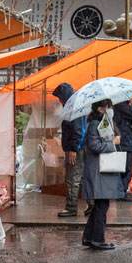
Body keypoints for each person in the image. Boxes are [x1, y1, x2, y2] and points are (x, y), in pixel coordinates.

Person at [81, 100, 123, 251]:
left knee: (100, 205)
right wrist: (112, 143)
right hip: (98, 169)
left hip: (102, 168)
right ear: (100, 109)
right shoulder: (94, 124)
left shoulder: (105, 122)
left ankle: (89, 237)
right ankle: (98, 239)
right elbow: (94, 145)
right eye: (108, 107)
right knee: (102, 205)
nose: (111, 110)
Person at [53, 83, 87, 219]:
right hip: (80, 148)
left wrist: (73, 149)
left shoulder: (74, 109)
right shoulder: (76, 107)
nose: (59, 100)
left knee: (72, 179)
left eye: (60, 98)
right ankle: (90, 206)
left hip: (76, 150)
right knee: (83, 178)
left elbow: (79, 131)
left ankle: (71, 208)